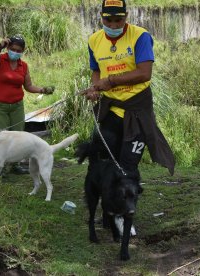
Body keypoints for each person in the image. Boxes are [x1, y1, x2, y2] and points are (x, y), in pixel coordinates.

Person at [83, 0, 175, 176]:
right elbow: (96, 70)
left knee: (128, 164)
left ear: (126, 16)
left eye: (118, 20)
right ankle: (109, 199)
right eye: (108, 20)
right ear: (101, 17)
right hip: (110, 109)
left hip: (137, 109)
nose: (113, 25)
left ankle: (127, 202)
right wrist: (95, 88)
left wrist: (109, 81)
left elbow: (144, 73)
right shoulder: (94, 40)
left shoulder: (140, 36)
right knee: (104, 157)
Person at [0, 35, 54, 174]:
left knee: (18, 137)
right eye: (12, 49)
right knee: (1, 137)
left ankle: (14, 166)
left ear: (22, 51)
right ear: (8, 48)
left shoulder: (23, 66)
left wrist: (43, 90)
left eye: (18, 50)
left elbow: (29, 86)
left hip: (17, 106)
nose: (15, 52)